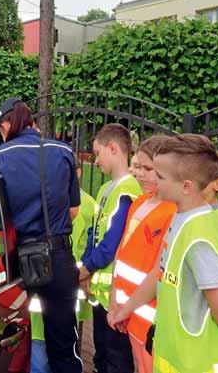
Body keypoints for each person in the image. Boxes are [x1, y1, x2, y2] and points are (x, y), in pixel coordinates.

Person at [0, 98, 82, 373]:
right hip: (58, 257)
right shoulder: (62, 150)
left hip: (16, 259)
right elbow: (73, 210)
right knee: (64, 344)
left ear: (7, 124)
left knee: (10, 335)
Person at [110, 134, 218, 373]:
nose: (153, 180)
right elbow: (160, 273)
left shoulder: (200, 234)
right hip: (173, 358)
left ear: (186, 186)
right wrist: (125, 309)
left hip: (195, 363)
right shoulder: (183, 217)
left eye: (160, 176)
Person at [109, 135, 177, 373]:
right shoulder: (138, 203)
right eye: (138, 167)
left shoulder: (173, 212)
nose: (139, 174)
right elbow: (121, 254)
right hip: (128, 313)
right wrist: (114, 304)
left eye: (148, 168)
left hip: (150, 318)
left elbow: (159, 269)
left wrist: (122, 310)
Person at [79, 123, 142, 373]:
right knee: (100, 354)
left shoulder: (128, 189)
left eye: (97, 153)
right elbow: (95, 232)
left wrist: (87, 267)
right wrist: (86, 266)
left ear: (113, 148)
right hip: (100, 290)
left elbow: (113, 241)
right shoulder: (105, 188)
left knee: (117, 361)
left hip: (116, 295)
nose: (95, 161)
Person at [29, 156, 98, 373]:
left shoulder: (88, 206)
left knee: (63, 350)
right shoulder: (39, 199)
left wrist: (85, 273)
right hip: (41, 290)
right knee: (40, 356)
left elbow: (93, 244)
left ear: (77, 173)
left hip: (70, 287)